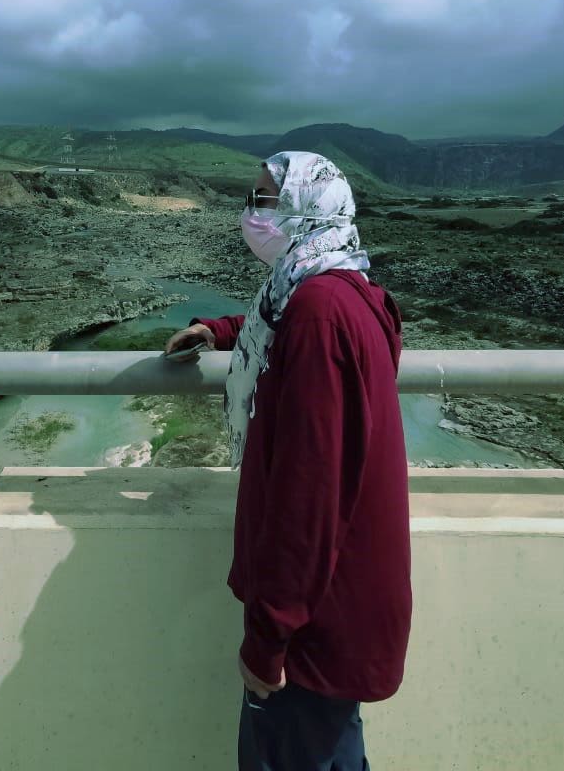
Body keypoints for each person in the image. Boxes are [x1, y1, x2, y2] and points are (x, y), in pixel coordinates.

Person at [165, 151, 411, 771]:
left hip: (312, 625)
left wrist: (268, 637)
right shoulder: (340, 290)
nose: (253, 213)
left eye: (266, 199)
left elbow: (309, 495)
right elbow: (274, 326)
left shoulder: (318, 313)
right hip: (339, 605)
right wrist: (222, 330)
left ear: (307, 206)